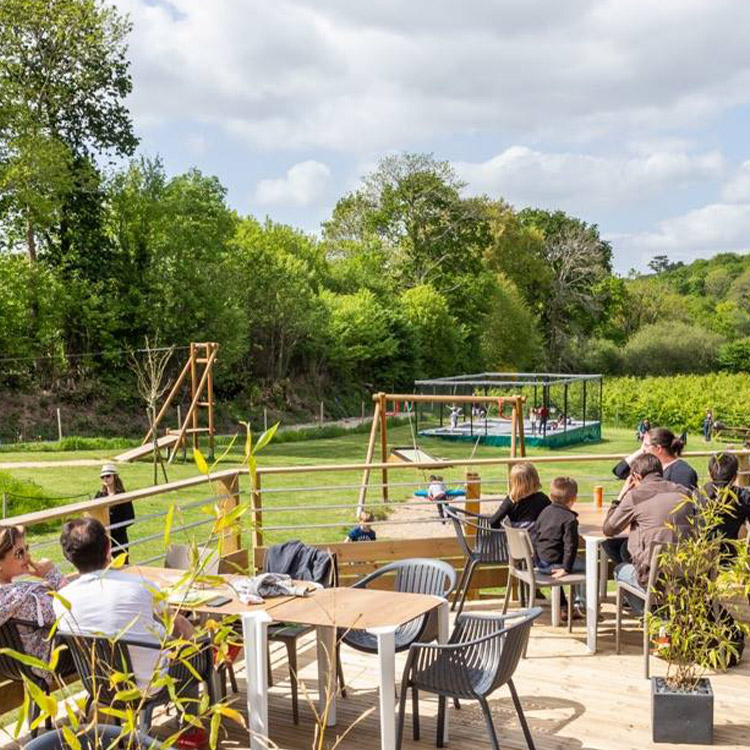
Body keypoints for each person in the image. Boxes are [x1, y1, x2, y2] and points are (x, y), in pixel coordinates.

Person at [54, 518, 211, 745]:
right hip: (151, 683)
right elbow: (178, 626)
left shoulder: (61, 600)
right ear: (109, 547)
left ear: (68, 556)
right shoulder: (139, 585)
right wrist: (201, 643)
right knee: (193, 652)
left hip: (100, 684)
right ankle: (189, 730)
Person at [603, 453, 695, 613]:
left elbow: (609, 529)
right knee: (625, 548)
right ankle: (665, 614)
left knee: (619, 570)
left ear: (636, 477)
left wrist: (621, 495)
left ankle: (653, 619)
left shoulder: (635, 496)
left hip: (655, 577)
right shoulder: (685, 492)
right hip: (686, 575)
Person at [0, 525, 66, 685]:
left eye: (26, 550)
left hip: (9, 667)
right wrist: (53, 575)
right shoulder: (26, 596)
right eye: (19, 553)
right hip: (47, 663)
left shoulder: (9, 596)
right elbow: (75, 610)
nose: (27, 558)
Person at [534, 477, 586, 613]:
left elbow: (536, 536)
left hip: (540, 563)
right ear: (574, 499)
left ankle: (565, 606)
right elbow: (571, 546)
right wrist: (566, 568)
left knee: (579, 561)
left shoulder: (544, 512)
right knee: (590, 567)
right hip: (555, 565)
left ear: (551, 496)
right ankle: (581, 605)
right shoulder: (570, 519)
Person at [612, 427, 698, 490]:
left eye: (646, 445)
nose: (644, 450)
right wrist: (641, 450)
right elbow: (620, 471)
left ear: (658, 449)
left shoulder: (682, 472)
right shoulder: (648, 467)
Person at [702, 452, 750, 559]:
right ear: (736, 476)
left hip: (700, 560)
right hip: (730, 560)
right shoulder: (743, 497)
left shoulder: (697, 496)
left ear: (709, 474)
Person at [488, 463, 550, 528]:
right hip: (537, 536)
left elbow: (493, 522)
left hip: (514, 537)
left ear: (514, 482)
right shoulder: (542, 499)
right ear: (535, 479)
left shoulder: (511, 501)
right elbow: (552, 516)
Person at [95, 464, 135, 562]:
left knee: (122, 563)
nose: (105, 479)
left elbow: (130, 517)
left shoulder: (122, 495)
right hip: (103, 537)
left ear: (115, 477)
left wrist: (116, 527)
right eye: (103, 477)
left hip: (119, 537)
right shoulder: (99, 495)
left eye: (108, 476)